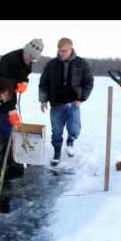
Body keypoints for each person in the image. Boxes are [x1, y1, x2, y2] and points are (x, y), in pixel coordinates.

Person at [0, 38, 44, 181]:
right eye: (29, 56)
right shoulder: (9, 61)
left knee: (7, 131)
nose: (30, 60)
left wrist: (24, 81)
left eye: (33, 59)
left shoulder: (28, 61)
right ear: (26, 50)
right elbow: (3, 89)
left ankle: (8, 162)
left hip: (9, 97)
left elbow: (24, 75)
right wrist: (11, 110)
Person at [38, 38, 94, 166]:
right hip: (57, 104)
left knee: (74, 129)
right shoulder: (51, 64)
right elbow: (43, 83)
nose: (61, 53)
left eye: (64, 51)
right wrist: (43, 100)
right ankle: (57, 153)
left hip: (73, 104)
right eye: (59, 51)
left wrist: (81, 98)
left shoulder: (81, 64)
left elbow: (89, 83)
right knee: (56, 132)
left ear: (71, 49)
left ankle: (70, 140)